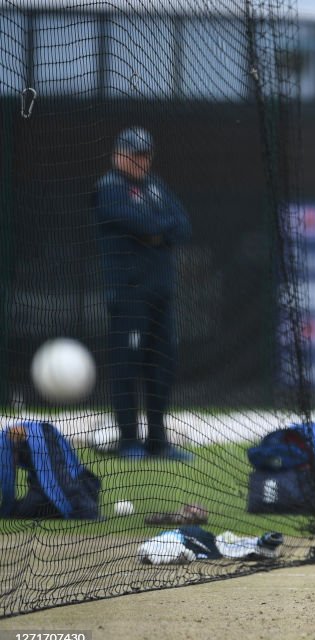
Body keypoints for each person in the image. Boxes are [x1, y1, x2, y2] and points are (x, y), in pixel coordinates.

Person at [92, 126, 192, 461]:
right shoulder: (109, 188)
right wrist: (156, 230)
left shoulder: (155, 187)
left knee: (161, 366)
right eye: (136, 154)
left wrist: (155, 230)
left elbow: (182, 225)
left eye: (146, 155)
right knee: (127, 366)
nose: (141, 161)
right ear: (119, 154)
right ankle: (128, 440)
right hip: (129, 293)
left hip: (160, 294)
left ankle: (158, 441)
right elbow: (142, 225)